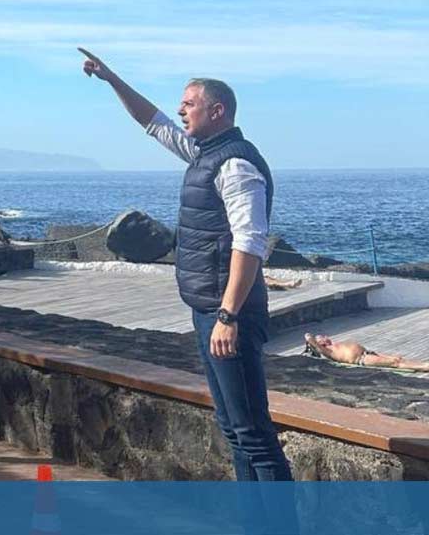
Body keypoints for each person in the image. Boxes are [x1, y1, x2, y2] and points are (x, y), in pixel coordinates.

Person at [80, 47, 292, 481]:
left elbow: (250, 244)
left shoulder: (235, 164)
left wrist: (229, 316)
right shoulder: (203, 153)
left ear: (217, 111)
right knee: (234, 431)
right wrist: (111, 79)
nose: (180, 110)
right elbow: (152, 121)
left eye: (189, 104)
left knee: (254, 435)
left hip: (229, 314)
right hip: (208, 311)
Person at [304, 333, 429, 372]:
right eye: (322, 338)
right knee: (395, 363)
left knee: (398, 359)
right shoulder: (327, 351)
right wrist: (311, 339)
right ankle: (424, 367)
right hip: (361, 359)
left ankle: (423, 364)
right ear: (320, 343)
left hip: (367, 353)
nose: (326, 337)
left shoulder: (335, 344)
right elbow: (310, 339)